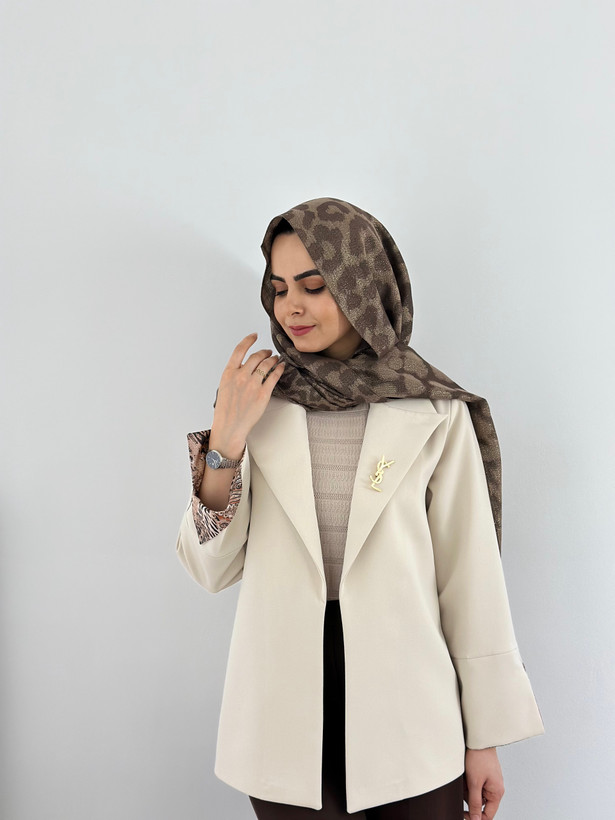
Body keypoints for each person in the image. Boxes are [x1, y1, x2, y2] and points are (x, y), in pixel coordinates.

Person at [176, 197, 545, 819]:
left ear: (362, 284)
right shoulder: (257, 402)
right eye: (279, 288)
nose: (291, 306)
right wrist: (225, 444)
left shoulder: (436, 409)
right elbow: (209, 570)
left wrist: (483, 738)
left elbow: (471, 582)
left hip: (412, 711)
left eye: (314, 286)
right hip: (282, 712)